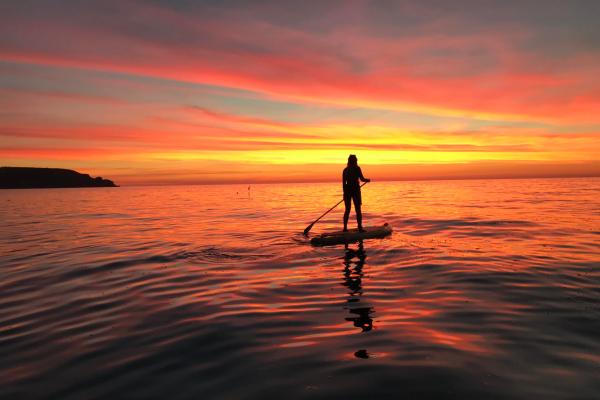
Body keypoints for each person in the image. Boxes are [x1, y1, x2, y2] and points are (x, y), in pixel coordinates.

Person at [342, 154, 370, 232]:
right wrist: (367, 180)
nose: (357, 161)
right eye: (356, 160)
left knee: (347, 210)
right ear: (354, 161)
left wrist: (344, 194)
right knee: (358, 209)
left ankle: (345, 228)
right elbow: (362, 179)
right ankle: (360, 228)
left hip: (347, 191)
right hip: (355, 191)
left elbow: (344, 184)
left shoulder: (345, 170)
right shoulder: (357, 168)